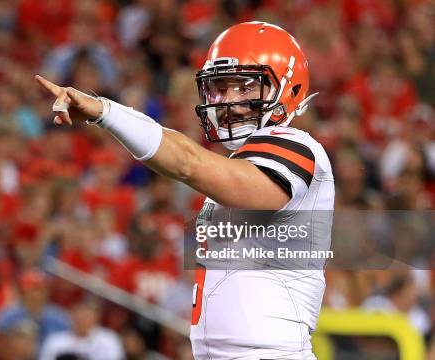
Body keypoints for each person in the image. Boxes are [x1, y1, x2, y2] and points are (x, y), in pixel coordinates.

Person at [37, 21, 335, 360]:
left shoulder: (297, 147)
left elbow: (187, 163)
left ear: (287, 88)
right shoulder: (240, 166)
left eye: (243, 87)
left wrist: (108, 112)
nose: (228, 101)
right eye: (220, 89)